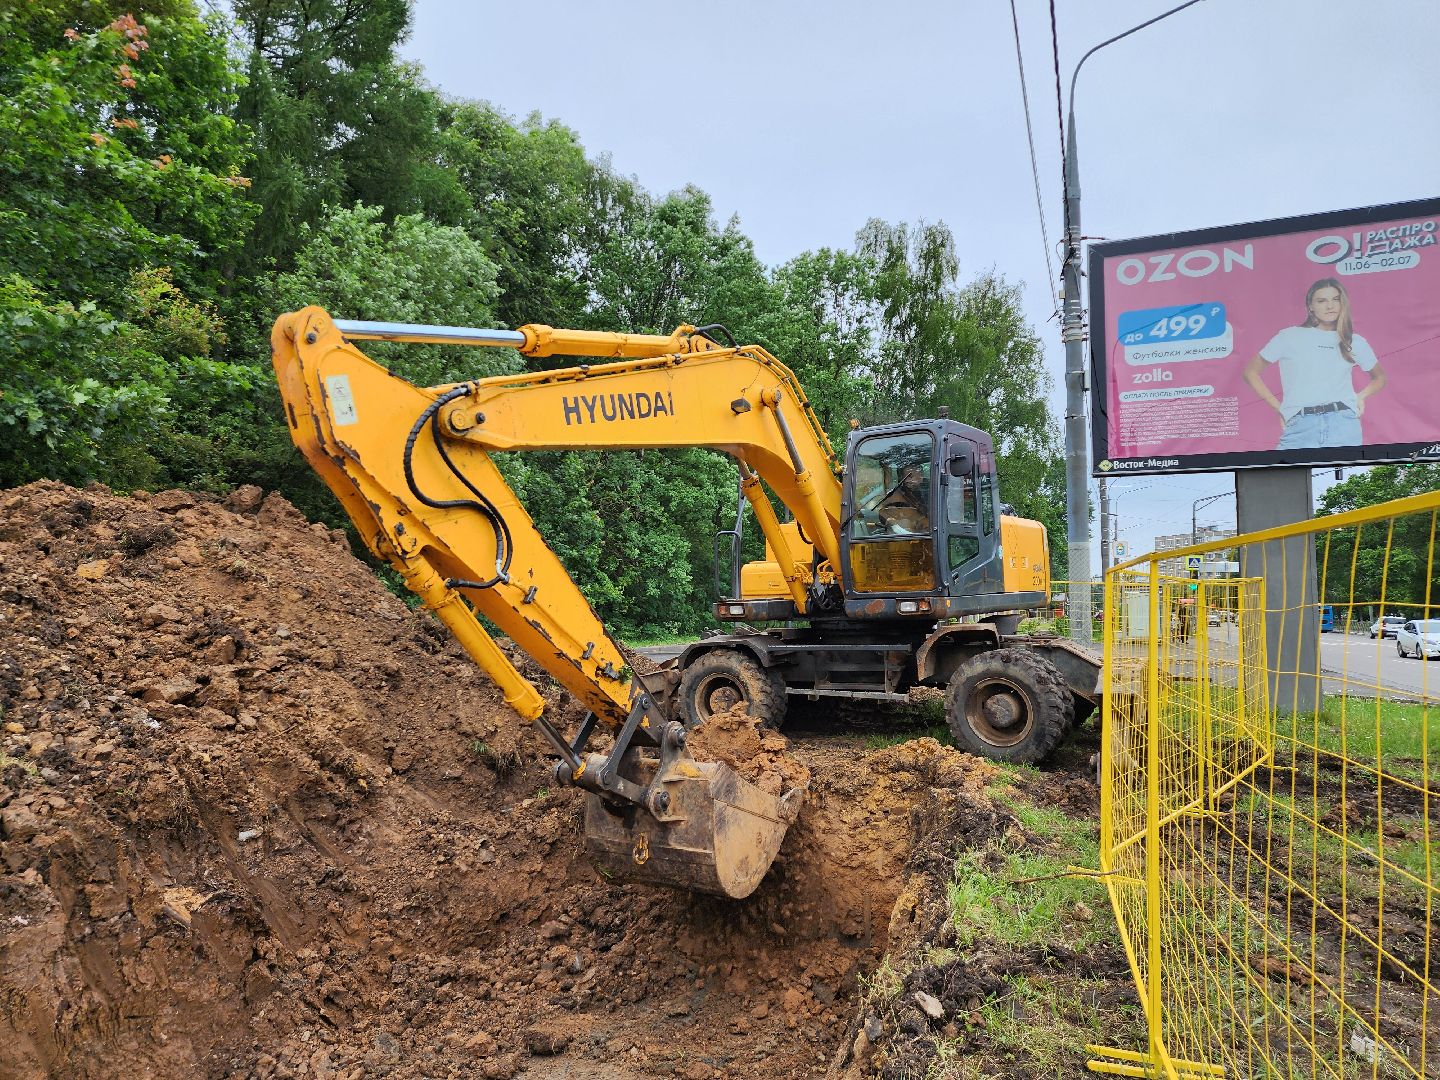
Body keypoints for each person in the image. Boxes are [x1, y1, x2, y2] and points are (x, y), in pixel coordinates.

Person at [1242, 278, 1387, 450]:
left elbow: (1379, 377)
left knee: (1344, 476)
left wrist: (1360, 396)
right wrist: (1278, 408)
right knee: (1283, 474)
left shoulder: (1354, 341)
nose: (1329, 306)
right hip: (1300, 424)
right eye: (1322, 301)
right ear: (1310, 306)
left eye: (1335, 299)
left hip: (1344, 424)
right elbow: (1250, 372)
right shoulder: (1289, 337)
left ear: (1343, 303)